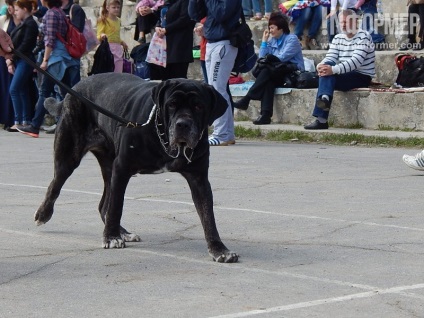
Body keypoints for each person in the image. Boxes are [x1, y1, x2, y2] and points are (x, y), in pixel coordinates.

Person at [17, 0, 81, 138]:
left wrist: (45, 60)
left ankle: (34, 126)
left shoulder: (51, 14)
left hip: (55, 59)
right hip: (62, 57)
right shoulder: (59, 13)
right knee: (66, 93)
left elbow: (50, 40)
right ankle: (76, 125)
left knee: (45, 91)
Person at [304, 9, 375, 130]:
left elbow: (355, 63)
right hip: (342, 72)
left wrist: (333, 70)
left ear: (355, 22)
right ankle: (324, 100)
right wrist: (321, 66)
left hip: (360, 75)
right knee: (326, 70)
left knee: (328, 73)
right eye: (341, 22)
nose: (343, 25)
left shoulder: (364, 37)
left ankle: (321, 117)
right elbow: (330, 57)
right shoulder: (338, 37)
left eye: (346, 22)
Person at [234, 12, 304, 125]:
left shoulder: (292, 39)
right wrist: (264, 42)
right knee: (268, 79)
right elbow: (261, 58)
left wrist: (268, 59)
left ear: (281, 27)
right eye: (269, 28)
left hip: (291, 74)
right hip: (275, 72)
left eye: (272, 27)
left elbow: (281, 58)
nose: (270, 30)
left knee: (267, 71)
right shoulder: (272, 40)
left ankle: (247, 99)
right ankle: (265, 115)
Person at [189, 0, 241, 146]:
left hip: (224, 43)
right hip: (211, 42)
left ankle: (222, 133)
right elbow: (195, 14)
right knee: (214, 88)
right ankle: (227, 134)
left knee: (218, 89)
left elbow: (221, 14)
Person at [7, 0, 39, 131]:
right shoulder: (25, 23)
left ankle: (19, 120)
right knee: (22, 90)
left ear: (25, 9)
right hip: (21, 59)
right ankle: (24, 120)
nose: (15, 12)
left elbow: (25, 45)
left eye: (17, 9)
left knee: (14, 89)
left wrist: (11, 57)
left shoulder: (30, 24)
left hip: (24, 59)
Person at [149, 0, 194, 80]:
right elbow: (161, 18)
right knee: (165, 80)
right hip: (164, 48)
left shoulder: (185, 2)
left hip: (179, 46)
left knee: (178, 79)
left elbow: (184, 19)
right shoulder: (167, 2)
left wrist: (167, 29)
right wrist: (157, 26)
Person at [0, 0, 19, 131]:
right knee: (4, 88)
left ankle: (12, 119)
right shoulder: (3, 19)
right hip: (2, 59)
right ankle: (4, 118)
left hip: (16, 57)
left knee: (13, 88)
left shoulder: (25, 21)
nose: (9, 7)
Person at [97, 0, 128, 73]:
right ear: (107, 8)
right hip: (108, 47)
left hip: (117, 48)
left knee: (118, 69)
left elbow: (116, 35)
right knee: (108, 69)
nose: (116, 9)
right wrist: (102, 35)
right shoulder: (103, 20)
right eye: (114, 7)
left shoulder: (118, 20)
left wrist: (121, 42)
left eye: (118, 7)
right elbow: (98, 34)